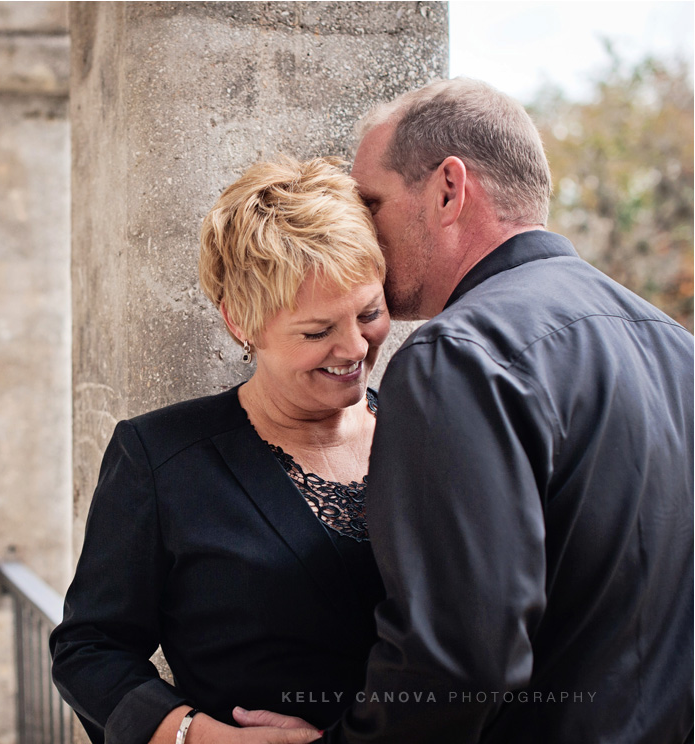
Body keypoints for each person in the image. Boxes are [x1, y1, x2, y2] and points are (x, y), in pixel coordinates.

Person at [236, 78, 694, 742]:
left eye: (371, 202)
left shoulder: (456, 355)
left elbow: (458, 657)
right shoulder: (676, 347)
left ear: (448, 189)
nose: (361, 229)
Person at [50, 157, 393, 744]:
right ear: (241, 323)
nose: (355, 346)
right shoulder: (158, 457)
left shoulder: (428, 431)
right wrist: (196, 736)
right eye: (316, 332)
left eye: (369, 313)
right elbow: (89, 648)